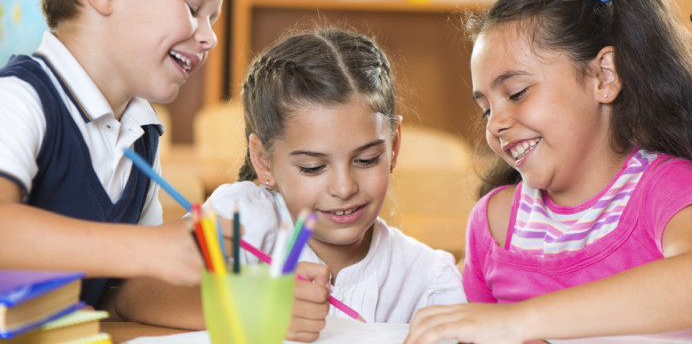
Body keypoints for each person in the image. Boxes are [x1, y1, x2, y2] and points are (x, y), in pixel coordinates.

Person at [403, 0, 692, 344]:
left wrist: (518, 320)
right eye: (486, 110)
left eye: (516, 93)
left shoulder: (665, 189)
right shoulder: (494, 223)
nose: (495, 125)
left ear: (604, 77)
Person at [117, 28, 467, 342]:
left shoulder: (428, 279)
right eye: (313, 167)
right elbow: (131, 294)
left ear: (394, 146)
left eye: (366, 160)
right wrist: (252, 309)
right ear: (263, 161)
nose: (344, 187)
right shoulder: (241, 220)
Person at [0, 0, 237, 312]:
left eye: (213, 17)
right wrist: (148, 248)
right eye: (194, 9)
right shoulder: (19, 99)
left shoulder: (140, 134)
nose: (209, 37)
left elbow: (124, 291)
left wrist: (246, 305)